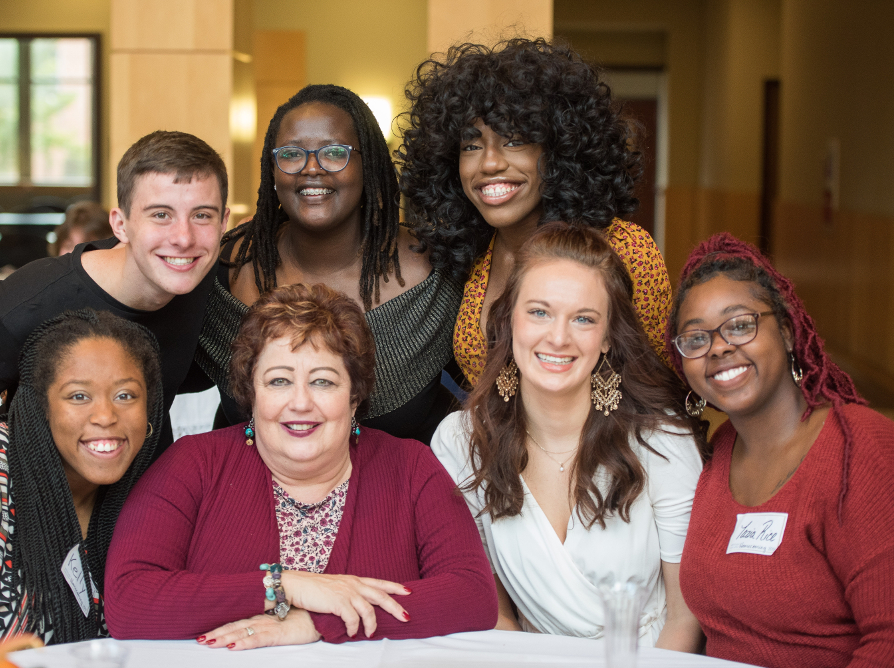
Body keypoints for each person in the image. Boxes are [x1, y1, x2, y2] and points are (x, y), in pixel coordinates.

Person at [106, 283, 497, 648]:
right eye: (278, 381)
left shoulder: (411, 467)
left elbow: (473, 597)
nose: (300, 403)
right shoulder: (193, 464)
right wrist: (282, 587)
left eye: (323, 382)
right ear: (250, 392)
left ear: (355, 395)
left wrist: (315, 623)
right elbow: (128, 600)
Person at [431, 224, 705, 650]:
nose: (558, 338)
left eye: (583, 318)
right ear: (508, 320)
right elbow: (493, 608)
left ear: (609, 336)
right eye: (539, 312)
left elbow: (685, 619)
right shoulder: (462, 440)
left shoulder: (660, 439)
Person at [668, 233, 894, 668]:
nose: (718, 347)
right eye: (696, 339)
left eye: (740, 325)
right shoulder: (720, 451)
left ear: (788, 332)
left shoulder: (859, 450)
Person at [190, 84, 461, 445]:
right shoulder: (228, 267)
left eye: (335, 153)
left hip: (402, 495)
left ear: (370, 164)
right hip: (252, 494)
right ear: (272, 168)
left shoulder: (436, 275)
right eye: (290, 154)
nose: (311, 169)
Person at [0, 130, 228, 459]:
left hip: (142, 491)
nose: (183, 238)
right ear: (120, 225)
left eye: (202, 215)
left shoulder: (206, 277)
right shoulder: (40, 293)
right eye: (161, 215)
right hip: (44, 492)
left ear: (223, 223)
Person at [397, 38, 671, 389]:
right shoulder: (469, 255)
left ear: (558, 149)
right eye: (471, 145)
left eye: (514, 140)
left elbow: (662, 387)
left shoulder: (624, 250)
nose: (490, 162)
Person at [0, 309, 162, 645]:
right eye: (79, 396)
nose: (106, 416)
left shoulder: (145, 493)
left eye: (125, 395)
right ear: (40, 406)